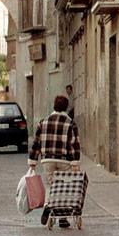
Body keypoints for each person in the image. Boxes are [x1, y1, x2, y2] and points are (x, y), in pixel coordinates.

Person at [28, 95, 81, 228]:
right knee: (63, 187)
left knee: (51, 186)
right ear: (66, 107)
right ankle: (63, 218)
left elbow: (37, 143)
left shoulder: (43, 121)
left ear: (54, 105)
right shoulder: (70, 123)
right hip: (64, 160)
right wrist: (75, 163)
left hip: (47, 159)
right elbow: (74, 144)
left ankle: (48, 206)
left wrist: (33, 160)